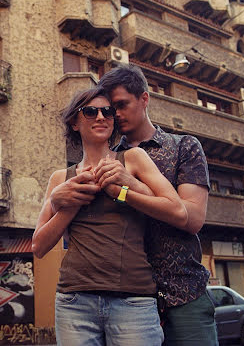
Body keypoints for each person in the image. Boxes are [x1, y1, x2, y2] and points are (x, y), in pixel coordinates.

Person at [32, 87, 187, 346]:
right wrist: (67, 205)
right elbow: (38, 246)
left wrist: (127, 186)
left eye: (108, 112)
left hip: (133, 299)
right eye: (91, 111)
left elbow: (177, 210)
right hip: (74, 301)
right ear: (74, 122)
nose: (101, 117)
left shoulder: (134, 158)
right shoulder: (60, 179)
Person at [97, 64, 218, 346]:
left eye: (121, 104)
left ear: (144, 98)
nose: (116, 114)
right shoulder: (108, 160)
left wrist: (131, 187)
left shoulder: (184, 147)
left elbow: (192, 218)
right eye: (110, 108)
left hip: (184, 292)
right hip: (128, 302)